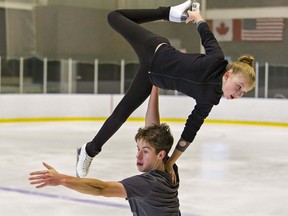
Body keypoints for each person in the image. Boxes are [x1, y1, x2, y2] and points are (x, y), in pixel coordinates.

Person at [76, 0, 256, 180]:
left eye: (243, 92)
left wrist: (170, 163)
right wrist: (198, 17)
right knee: (114, 17)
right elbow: (207, 36)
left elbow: (189, 132)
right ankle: (167, 13)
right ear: (228, 75)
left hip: (151, 77)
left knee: (122, 113)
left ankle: (88, 151)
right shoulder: (217, 61)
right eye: (239, 86)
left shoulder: (209, 100)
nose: (239, 94)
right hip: (154, 49)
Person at [29, 86, 181, 216]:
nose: (138, 155)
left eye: (145, 151)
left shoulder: (149, 184)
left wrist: (61, 179)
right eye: (138, 149)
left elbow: (101, 188)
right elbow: (153, 127)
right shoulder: (168, 168)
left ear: (161, 155)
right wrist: (155, 87)